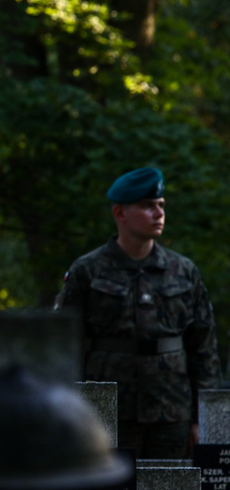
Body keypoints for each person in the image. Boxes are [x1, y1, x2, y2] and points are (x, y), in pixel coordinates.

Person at [55, 167, 221, 458]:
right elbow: (63, 345)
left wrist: (202, 417)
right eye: (147, 206)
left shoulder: (183, 271)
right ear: (120, 213)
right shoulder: (88, 271)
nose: (158, 213)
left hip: (171, 410)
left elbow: (203, 347)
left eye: (160, 206)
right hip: (107, 410)